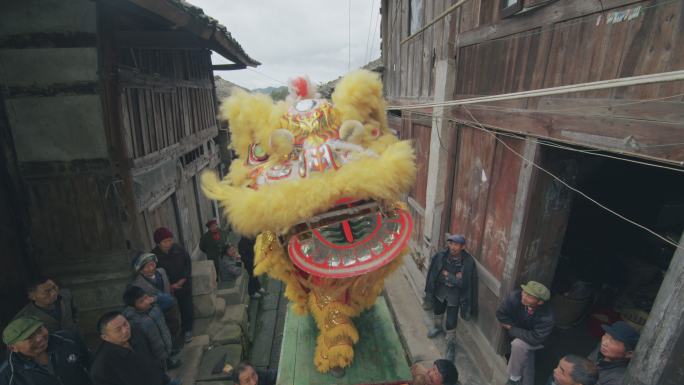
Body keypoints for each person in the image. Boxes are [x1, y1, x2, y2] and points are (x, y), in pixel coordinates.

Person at [423, 234, 478, 362]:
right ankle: (437, 327)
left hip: (455, 295)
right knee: (438, 310)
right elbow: (435, 275)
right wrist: (454, 277)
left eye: (456, 245)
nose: (453, 247)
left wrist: (448, 276)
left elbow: (463, 283)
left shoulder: (468, 262)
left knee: (451, 321)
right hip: (440, 290)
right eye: (451, 244)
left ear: (462, 247)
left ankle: (450, 345)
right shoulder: (441, 255)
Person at [91, 311, 179, 385]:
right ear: (105, 337)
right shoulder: (102, 367)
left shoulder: (136, 334)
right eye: (118, 329)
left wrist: (165, 379)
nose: (125, 330)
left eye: (125, 324)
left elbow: (152, 360)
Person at [0, 316, 91, 385]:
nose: (39, 338)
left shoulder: (68, 339)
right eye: (29, 337)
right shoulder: (8, 375)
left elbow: (92, 366)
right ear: (13, 348)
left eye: (40, 330)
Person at [496, 281, 555, 385]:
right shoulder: (515, 297)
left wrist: (512, 328)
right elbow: (501, 314)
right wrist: (517, 330)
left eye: (529, 296)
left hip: (539, 340)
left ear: (540, 302)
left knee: (518, 345)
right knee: (525, 354)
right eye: (524, 292)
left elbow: (535, 338)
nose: (524, 296)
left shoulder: (547, 317)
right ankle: (519, 381)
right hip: (524, 333)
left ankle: (513, 379)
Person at [129, 252, 181, 349]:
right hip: (156, 311)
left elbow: (167, 287)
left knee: (175, 325)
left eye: (152, 264)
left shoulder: (161, 272)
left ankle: (175, 342)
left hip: (171, 307)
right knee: (163, 331)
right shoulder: (137, 284)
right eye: (147, 267)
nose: (151, 268)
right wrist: (157, 299)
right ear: (140, 270)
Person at [151, 228, 194, 343]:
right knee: (171, 311)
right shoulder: (154, 256)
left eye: (170, 240)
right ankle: (175, 334)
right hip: (168, 288)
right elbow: (155, 273)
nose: (168, 243)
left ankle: (188, 330)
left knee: (187, 307)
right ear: (158, 243)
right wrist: (170, 286)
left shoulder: (179, 249)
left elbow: (187, 264)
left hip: (183, 284)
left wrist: (184, 279)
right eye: (165, 241)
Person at [122, 286, 180, 370]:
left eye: (146, 297)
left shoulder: (154, 306)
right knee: (161, 367)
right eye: (141, 301)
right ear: (133, 306)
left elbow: (170, 300)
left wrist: (154, 298)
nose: (146, 302)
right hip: (154, 350)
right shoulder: (134, 320)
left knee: (166, 355)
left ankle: (168, 359)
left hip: (164, 340)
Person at [13, 276, 79, 335]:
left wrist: (75, 324)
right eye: (47, 291)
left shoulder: (66, 295)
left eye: (54, 287)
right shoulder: (24, 317)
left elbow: (75, 310)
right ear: (32, 296)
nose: (54, 293)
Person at [588, 321, 639, 385]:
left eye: (614, 341)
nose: (604, 342)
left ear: (629, 354)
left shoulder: (617, 379)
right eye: (606, 335)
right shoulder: (602, 349)